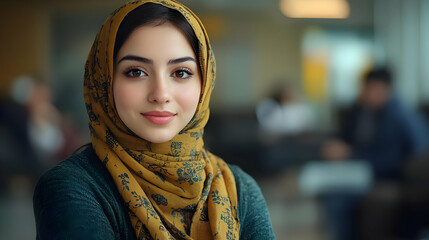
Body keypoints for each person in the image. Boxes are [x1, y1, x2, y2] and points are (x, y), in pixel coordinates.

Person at [33, 1, 275, 239]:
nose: (160, 94)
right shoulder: (73, 187)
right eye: (136, 72)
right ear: (104, 81)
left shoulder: (240, 188)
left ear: (204, 83)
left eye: (181, 73)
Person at [321, 67, 429, 240]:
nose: (364, 94)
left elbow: (391, 161)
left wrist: (350, 155)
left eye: (369, 89)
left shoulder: (398, 117)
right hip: (364, 170)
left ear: (384, 89)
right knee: (329, 191)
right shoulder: (363, 111)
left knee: (338, 199)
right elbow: (347, 137)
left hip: (391, 177)